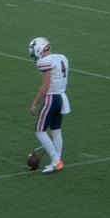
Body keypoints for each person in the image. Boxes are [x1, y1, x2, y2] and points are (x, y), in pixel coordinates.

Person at [28, 37, 70, 173]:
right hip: (62, 97)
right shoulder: (61, 57)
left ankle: (56, 160)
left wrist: (35, 103)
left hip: (51, 98)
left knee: (39, 131)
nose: (34, 58)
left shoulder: (44, 62)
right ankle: (56, 161)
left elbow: (45, 85)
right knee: (56, 130)